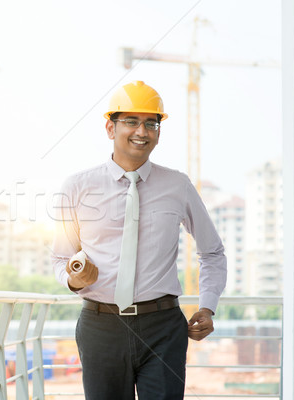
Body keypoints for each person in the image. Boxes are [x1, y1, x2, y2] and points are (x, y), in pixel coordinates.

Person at [51, 81, 227, 399]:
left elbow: (213, 252)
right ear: (110, 127)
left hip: (163, 328)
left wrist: (207, 306)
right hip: (99, 327)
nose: (142, 132)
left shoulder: (178, 185)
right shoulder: (77, 187)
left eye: (151, 123)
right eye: (131, 121)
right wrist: (74, 280)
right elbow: (59, 258)